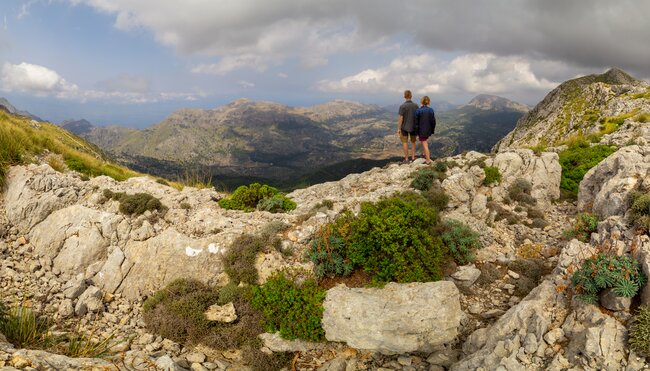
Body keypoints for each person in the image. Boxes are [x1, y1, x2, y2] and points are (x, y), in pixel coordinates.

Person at [397, 90, 419, 163]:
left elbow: (401, 118)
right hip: (414, 127)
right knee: (413, 142)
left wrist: (399, 128)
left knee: (405, 142)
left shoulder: (402, 106)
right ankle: (413, 157)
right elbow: (418, 117)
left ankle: (406, 159)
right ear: (411, 96)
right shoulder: (416, 105)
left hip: (404, 127)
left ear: (404, 96)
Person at [415, 95, 436, 164]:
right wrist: (432, 130)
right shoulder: (431, 110)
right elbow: (433, 121)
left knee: (424, 144)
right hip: (428, 130)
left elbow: (416, 123)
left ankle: (428, 160)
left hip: (421, 131)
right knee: (424, 142)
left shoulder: (418, 111)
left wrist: (416, 132)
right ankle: (424, 155)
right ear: (428, 102)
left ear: (421, 102)